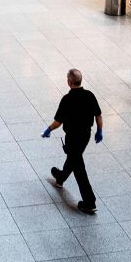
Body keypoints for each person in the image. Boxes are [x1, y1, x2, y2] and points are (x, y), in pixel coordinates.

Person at [43, 68, 102, 214]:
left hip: (72, 138)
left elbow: (58, 122)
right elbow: (98, 115)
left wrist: (48, 130)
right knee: (75, 159)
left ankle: (89, 202)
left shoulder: (67, 99)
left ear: (69, 82)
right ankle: (61, 177)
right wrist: (99, 131)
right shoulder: (90, 95)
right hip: (85, 136)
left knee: (79, 169)